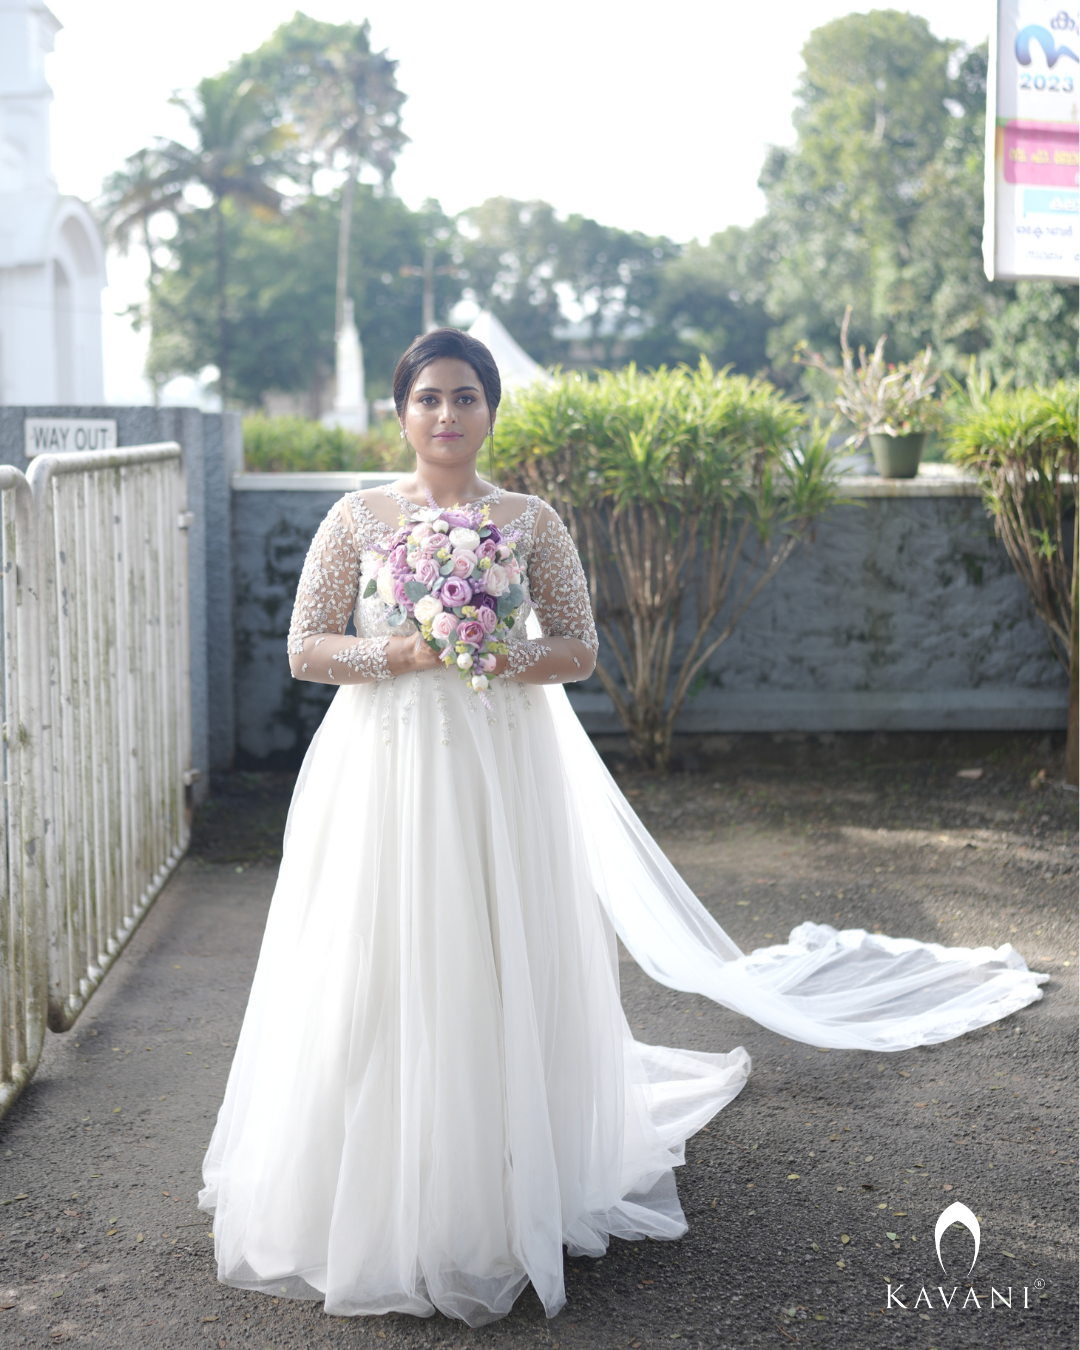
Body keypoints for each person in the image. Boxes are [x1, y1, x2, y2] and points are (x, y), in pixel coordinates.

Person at [199, 329, 1047, 1327]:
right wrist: (404, 651)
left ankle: (505, 1171)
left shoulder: (529, 518)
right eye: (428, 397)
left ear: (491, 410)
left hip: (498, 763)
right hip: (383, 766)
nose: (446, 415)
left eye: (465, 397)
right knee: (381, 955)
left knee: (494, 946)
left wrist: (493, 649)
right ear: (400, 410)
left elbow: (578, 648)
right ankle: (369, 1185)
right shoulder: (357, 518)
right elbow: (307, 647)